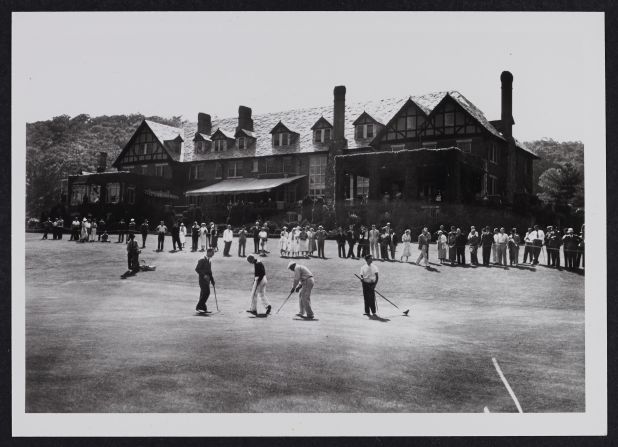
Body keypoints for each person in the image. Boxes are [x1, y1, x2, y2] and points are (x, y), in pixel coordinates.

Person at [195, 248, 215, 313]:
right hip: (202, 279)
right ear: (208, 252)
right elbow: (197, 269)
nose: (213, 254)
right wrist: (204, 275)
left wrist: (212, 280)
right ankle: (199, 306)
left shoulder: (209, 260)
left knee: (203, 293)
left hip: (207, 280)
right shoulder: (202, 259)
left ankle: (203, 308)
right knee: (206, 293)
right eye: (212, 253)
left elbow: (210, 272)